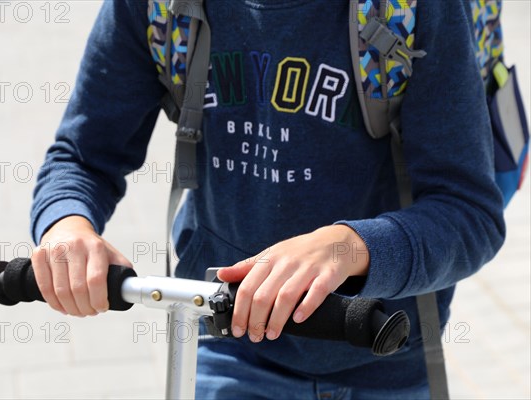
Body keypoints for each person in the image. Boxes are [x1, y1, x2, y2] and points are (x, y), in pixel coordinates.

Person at [30, 0, 506, 398]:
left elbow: (468, 211)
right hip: (229, 343)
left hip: (385, 351)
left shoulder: (416, 8)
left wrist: (346, 247)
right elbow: (81, 156)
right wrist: (67, 226)